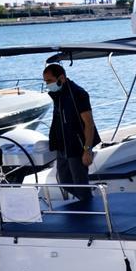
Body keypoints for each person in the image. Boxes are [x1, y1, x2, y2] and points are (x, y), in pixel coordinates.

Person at [43, 63, 96, 201]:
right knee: (64, 182)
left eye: (49, 81)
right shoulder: (57, 94)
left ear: (61, 78)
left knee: (81, 185)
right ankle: (87, 201)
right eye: (45, 81)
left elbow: (89, 124)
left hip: (76, 148)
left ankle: (88, 208)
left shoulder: (78, 94)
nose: (47, 85)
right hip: (62, 148)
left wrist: (87, 150)